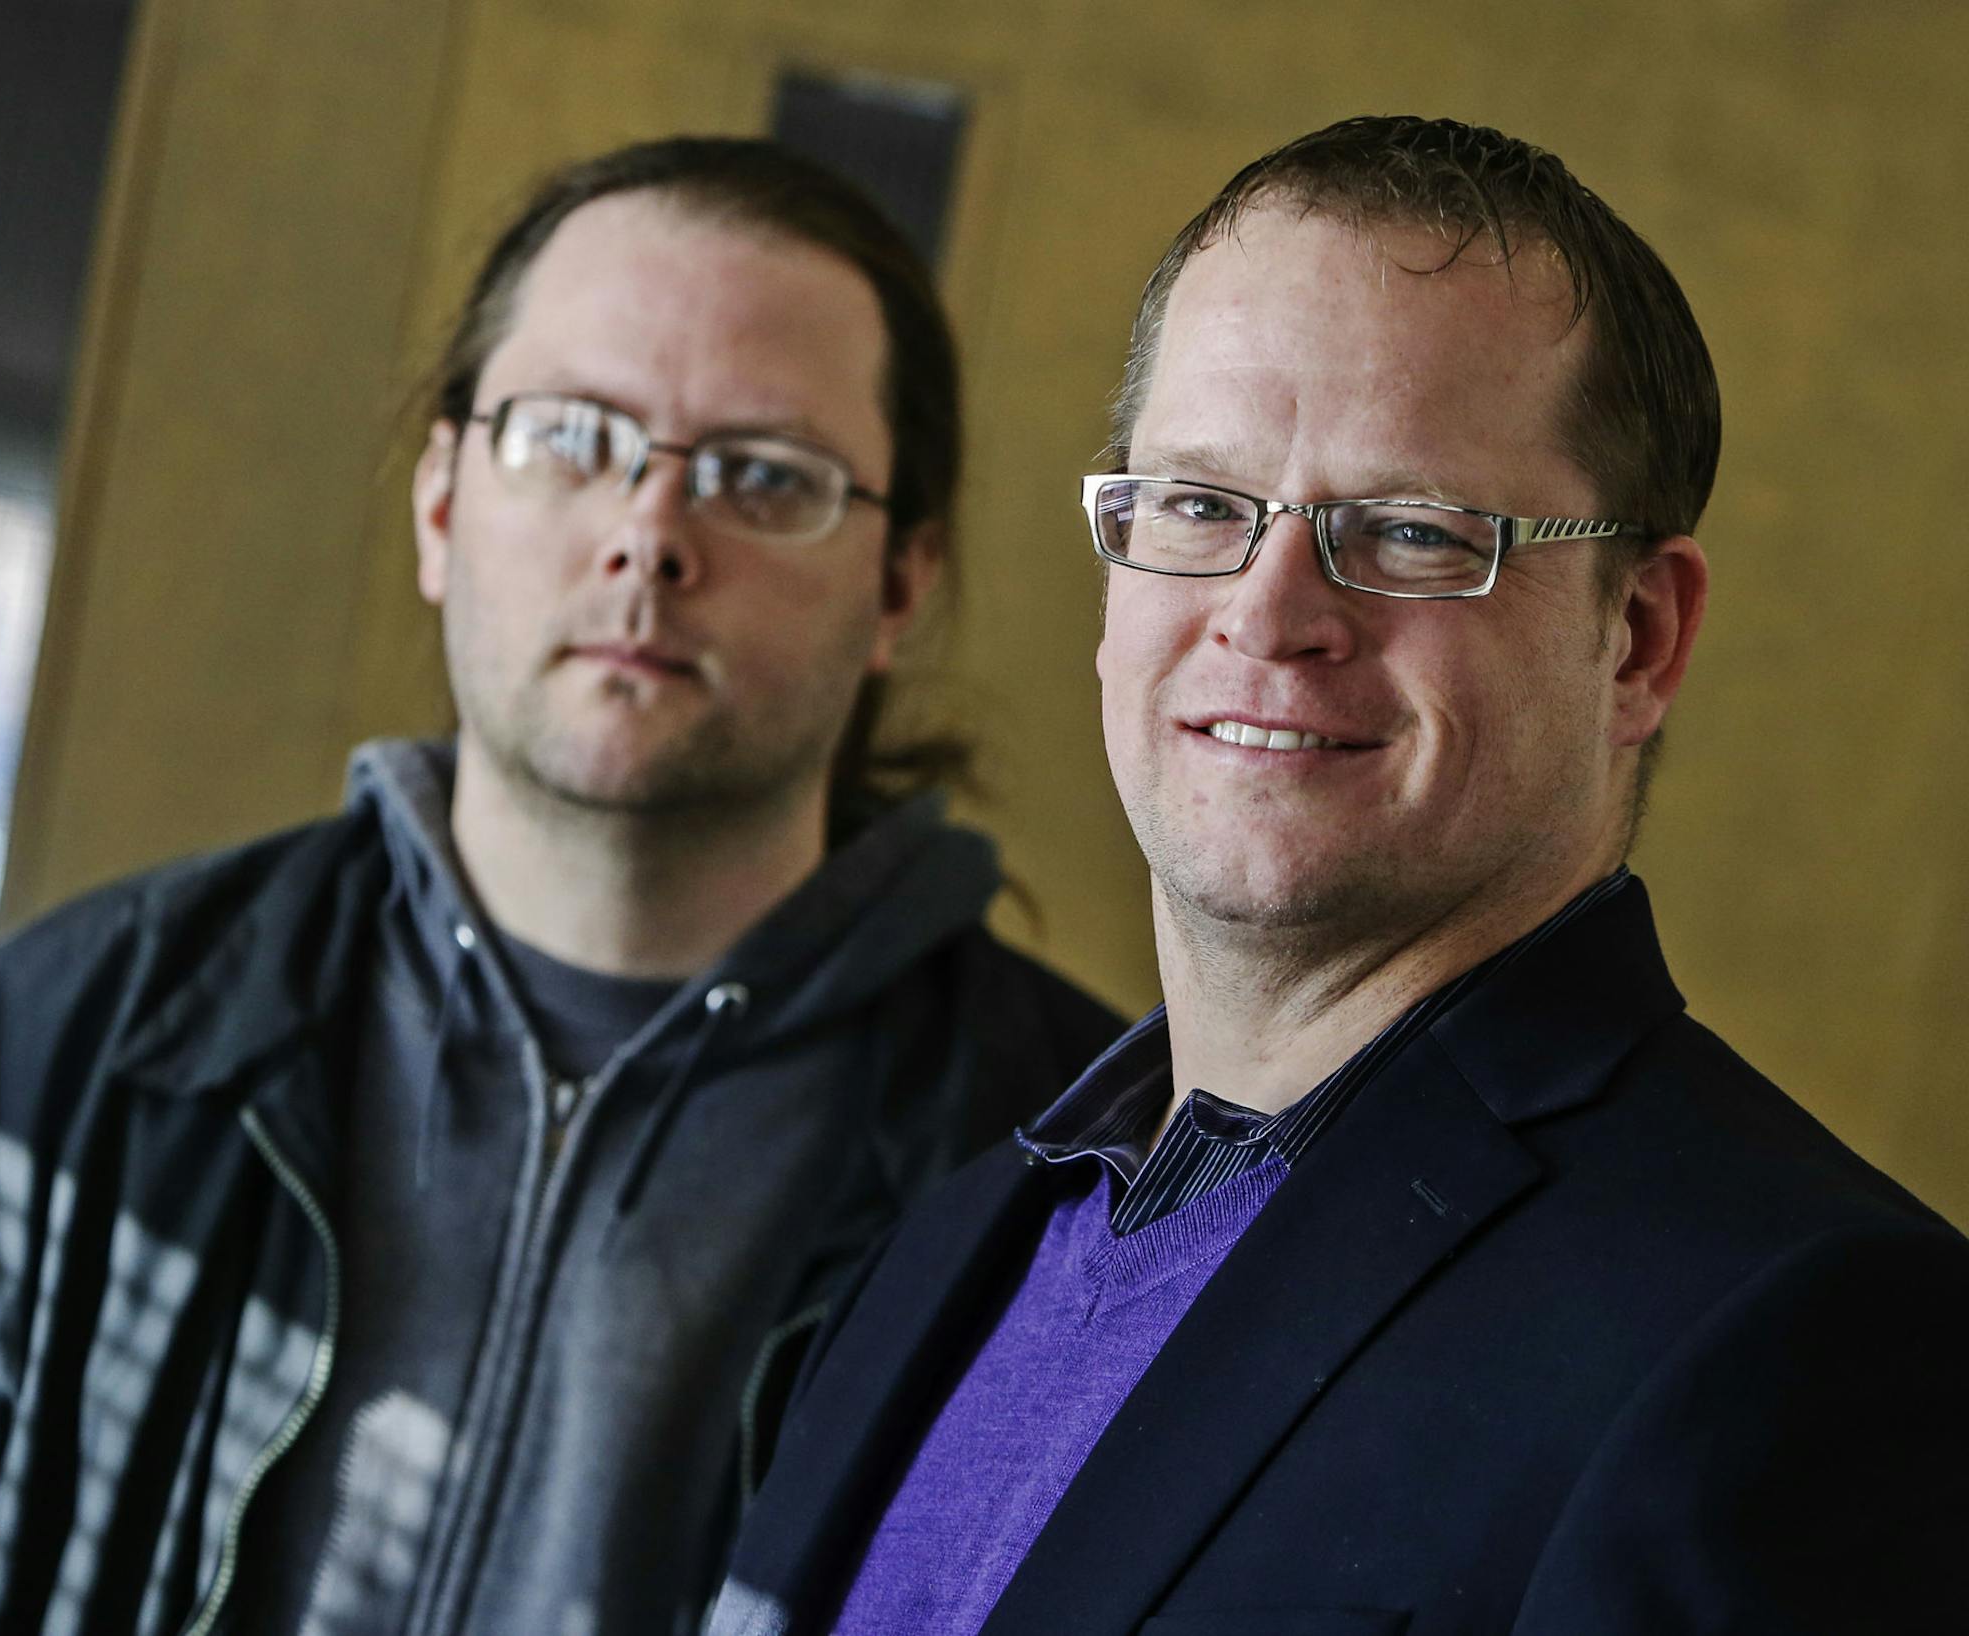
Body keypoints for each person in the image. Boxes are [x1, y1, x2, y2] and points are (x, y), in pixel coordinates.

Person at [0, 137, 1121, 1635]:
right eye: (573, 435)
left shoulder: (1082, 1187)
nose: (649, 534)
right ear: (441, 501)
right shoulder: (42, 1062)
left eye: (764, 476)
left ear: (901, 583)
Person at [710, 115, 1969, 1636]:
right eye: (1198, 505)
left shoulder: (1802, 1349)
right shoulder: (955, 1240)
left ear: (1638, 636)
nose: (1271, 612)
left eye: (1412, 532)